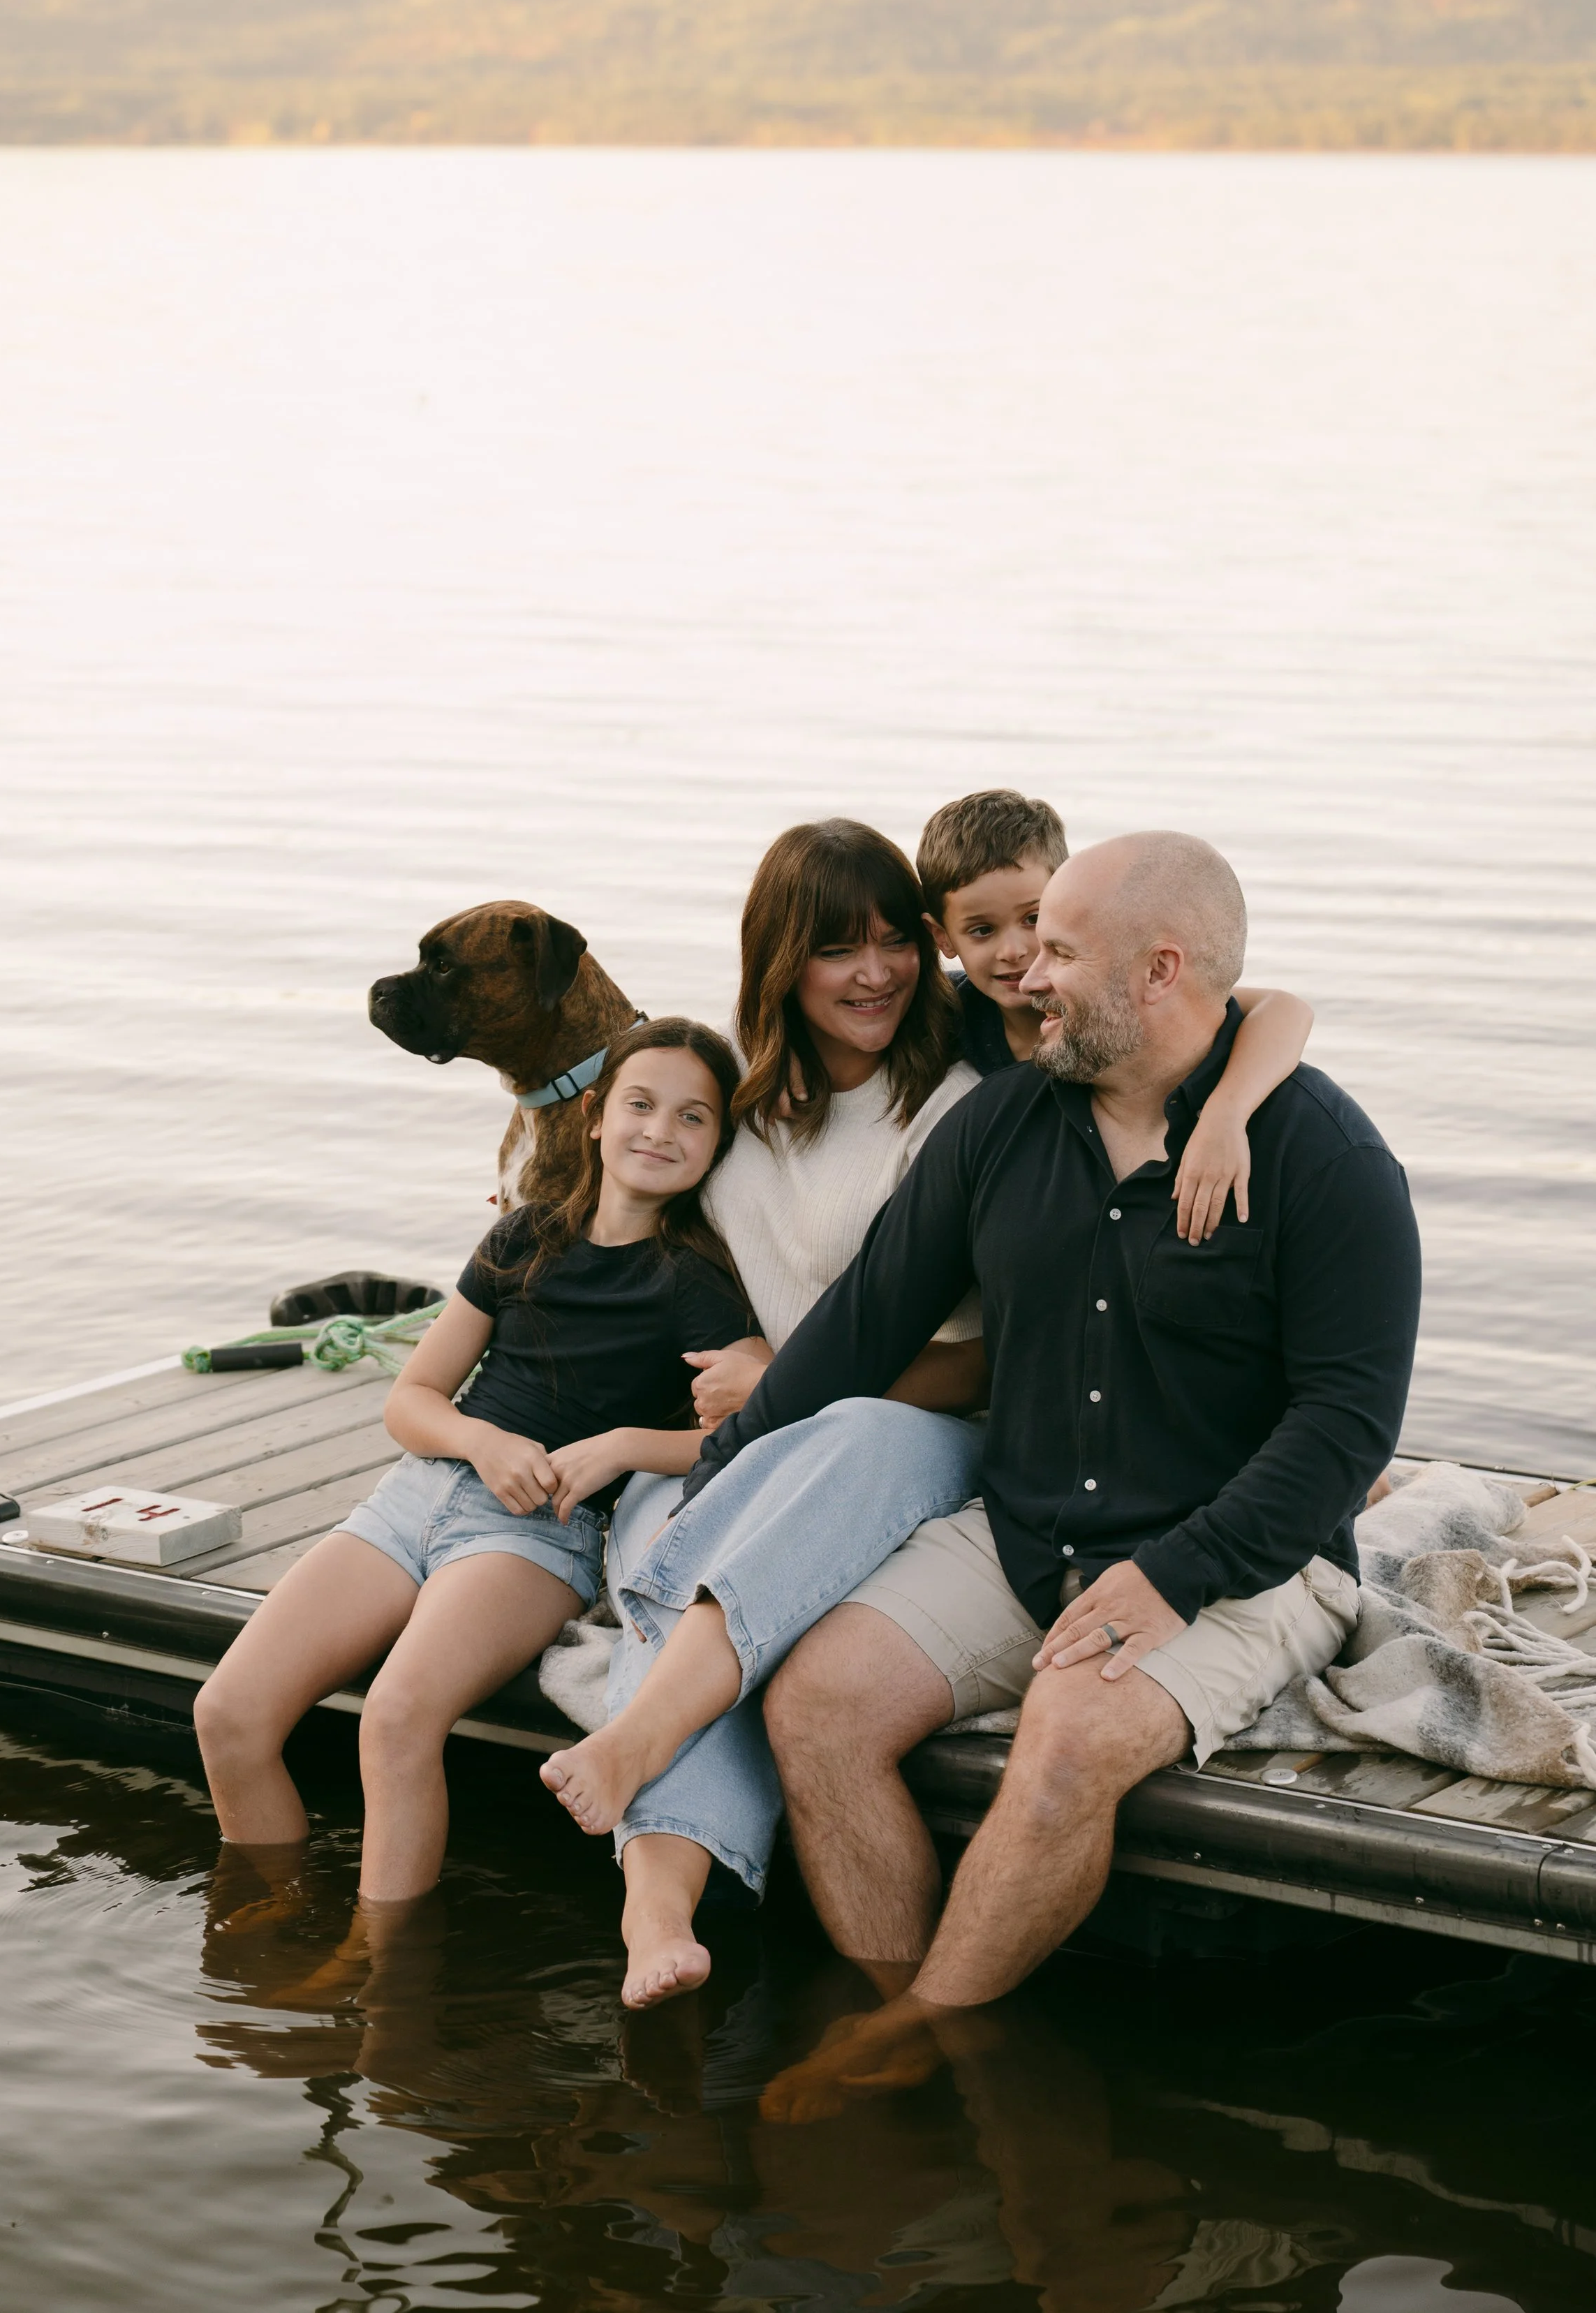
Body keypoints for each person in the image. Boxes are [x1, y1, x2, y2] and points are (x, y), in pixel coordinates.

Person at [539, 813, 1314, 2010]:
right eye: (983, 934)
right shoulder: (760, 1102)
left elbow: (1239, 1001)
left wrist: (1226, 1113)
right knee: (691, 1568)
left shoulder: (987, 1087)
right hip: (802, 1425)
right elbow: (644, 1219)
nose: (881, 971)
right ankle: (660, 1899)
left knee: (831, 1450)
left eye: (893, 942)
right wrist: (706, 1438)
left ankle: (890, 2014)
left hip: (924, 1433)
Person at [701, 832, 1421, 2115]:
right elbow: (862, 1325)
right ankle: (895, 1992)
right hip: (1025, 1527)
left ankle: (919, 2033)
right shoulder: (1004, 1122)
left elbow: (1345, 1426)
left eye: (1060, 951)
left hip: (1244, 1559)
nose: (1026, 975)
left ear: (1160, 971)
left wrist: (1178, 1576)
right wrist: (711, 1481)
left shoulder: (1328, 1161)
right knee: (816, 1704)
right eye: (1025, 947)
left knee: (1072, 1733)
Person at [192, 1016, 759, 1945]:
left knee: (397, 1717)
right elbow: (412, 1398)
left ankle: (379, 1967)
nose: (661, 1131)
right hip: (419, 1494)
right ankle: (271, 1923)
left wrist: (622, 1445)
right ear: (595, 1117)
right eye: (642, 1105)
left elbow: (751, 1429)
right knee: (228, 1712)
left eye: (693, 1118)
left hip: (535, 1532)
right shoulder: (523, 1237)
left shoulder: (693, 1281)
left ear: (718, 1145)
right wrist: (481, 1439)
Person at [917, 786, 1315, 1243]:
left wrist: (1226, 1114)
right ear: (942, 937)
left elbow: (1284, 1009)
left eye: (1033, 918)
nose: (1016, 952)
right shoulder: (948, 1011)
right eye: (982, 930)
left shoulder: (1115, 1007)